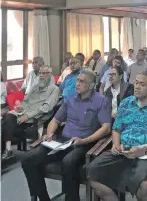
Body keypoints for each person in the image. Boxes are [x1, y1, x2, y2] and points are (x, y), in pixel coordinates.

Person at [21, 69, 111, 201]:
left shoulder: (101, 100)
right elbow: (55, 121)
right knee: (27, 159)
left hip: (84, 143)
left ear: (91, 85)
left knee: (68, 161)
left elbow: (106, 127)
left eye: (82, 81)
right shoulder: (70, 99)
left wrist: (85, 140)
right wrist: (50, 133)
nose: (77, 84)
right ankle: (43, 197)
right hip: (62, 141)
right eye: (77, 81)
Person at [87, 70, 147, 201]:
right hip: (123, 152)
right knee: (92, 171)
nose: (137, 87)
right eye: (136, 83)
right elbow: (117, 129)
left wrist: (144, 150)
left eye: (142, 84)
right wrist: (116, 144)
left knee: (145, 186)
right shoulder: (126, 103)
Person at [2, 66, 60, 160]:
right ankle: (7, 150)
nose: (41, 75)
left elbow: (46, 108)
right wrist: (20, 106)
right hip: (23, 113)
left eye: (45, 73)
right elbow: (26, 101)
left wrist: (27, 115)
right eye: (40, 73)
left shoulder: (54, 90)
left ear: (50, 74)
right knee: (6, 120)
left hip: (36, 116)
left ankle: (8, 150)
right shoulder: (35, 86)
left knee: (8, 119)